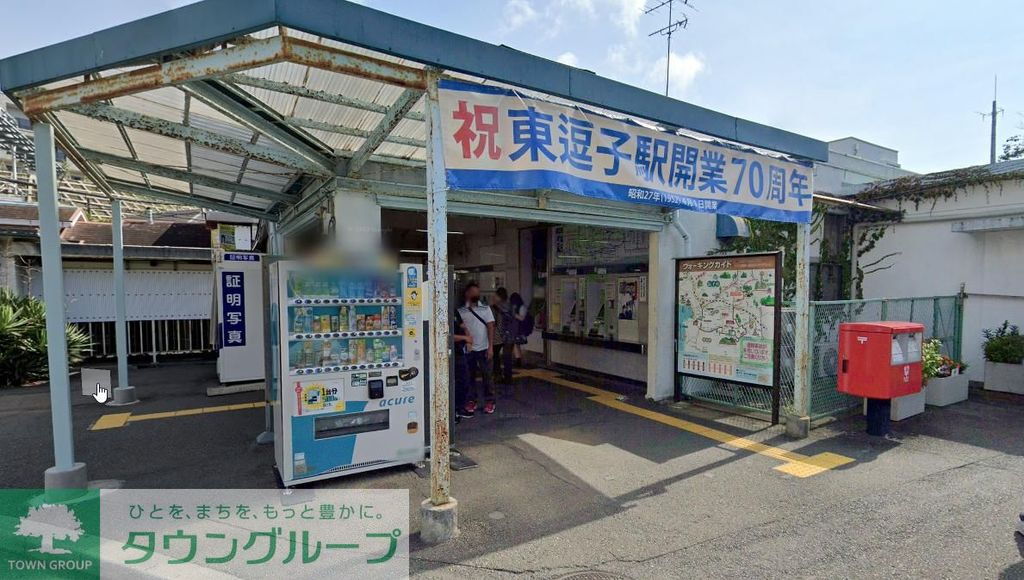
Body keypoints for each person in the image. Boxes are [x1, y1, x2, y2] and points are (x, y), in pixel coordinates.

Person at [457, 281, 496, 415]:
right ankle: (471, 400)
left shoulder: (485, 309)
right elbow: (461, 328)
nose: (476, 295)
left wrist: (490, 347)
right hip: (469, 350)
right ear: (467, 293)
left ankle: (490, 401)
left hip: (484, 348)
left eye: (477, 293)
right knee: (469, 376)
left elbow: (491, 327)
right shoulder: (461, 311)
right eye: (473, 292)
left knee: (487, 376)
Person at [490, 287, 515, 386]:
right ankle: (508, 378)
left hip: (499, 335)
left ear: (499, 296)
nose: (494, 297)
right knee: (507, 357)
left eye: (495, 295)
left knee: (496, 356)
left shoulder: (495, 307)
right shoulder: (511, 306)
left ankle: (498, 376)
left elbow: (493, 323)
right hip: (510, 335)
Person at [452, 310, 473, 421]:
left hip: (459, 352)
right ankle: (453, 411)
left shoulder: (454, 311)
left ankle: (459, 408)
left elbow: (463, 326)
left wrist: (468, 339)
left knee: (464, 381)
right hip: (446, 353)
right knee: (451, 384)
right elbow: (444, 335)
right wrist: (465, 338)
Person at [509, 292, 529, 367]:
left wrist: (514, 314)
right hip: (516, 329)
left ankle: (519, 360)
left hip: (520, 329)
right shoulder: (517, 307)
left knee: (516, 344)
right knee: (516, 344)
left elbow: (522, 318)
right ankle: (518, 360)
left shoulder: (522, 307)